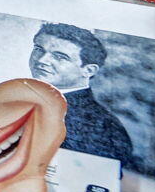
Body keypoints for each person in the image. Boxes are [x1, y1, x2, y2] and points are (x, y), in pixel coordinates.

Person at [28, 21, 135, 162]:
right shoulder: (14, 97)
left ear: (88, 70)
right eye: (39, 49)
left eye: (60, 57)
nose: (42, 60)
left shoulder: (105, 128)